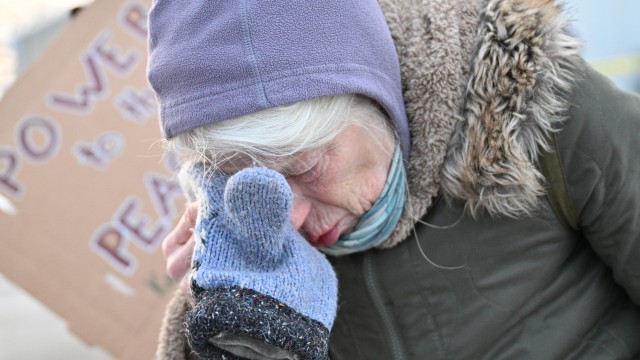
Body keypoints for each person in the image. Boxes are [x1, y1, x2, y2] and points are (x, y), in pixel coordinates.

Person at [148, 0, 640, 359]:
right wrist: (224, 323)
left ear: (377, 102)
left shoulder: (540, 110)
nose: (291, 217)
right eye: (244, 184)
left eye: (307, 168)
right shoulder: (248, 238)